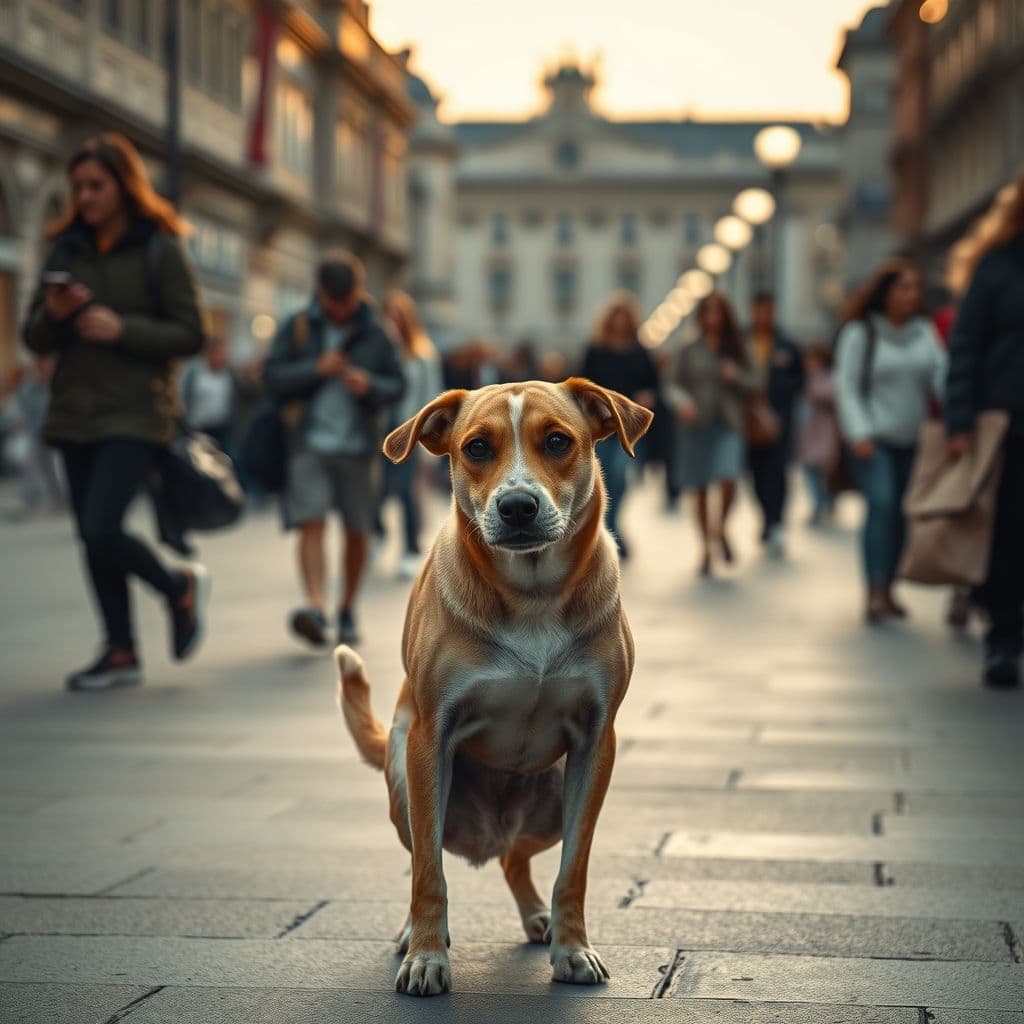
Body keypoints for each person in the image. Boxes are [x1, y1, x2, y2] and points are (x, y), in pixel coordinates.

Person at [21, 133, 209, 691]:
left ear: (123, 187)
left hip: (135, 413)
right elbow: (33, 337)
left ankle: (177, 586)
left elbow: (191, 332)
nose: (84, 197)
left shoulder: (159, 246)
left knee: (102, 526)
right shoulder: (66, 248)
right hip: (74, 411)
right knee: (90, 535)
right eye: (77, 186)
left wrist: (120, 328)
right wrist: (54, 315)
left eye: (96, 185)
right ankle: (120, 648)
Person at [263, 252, 405, 647]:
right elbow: (271, 377)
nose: (341, 310)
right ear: (320, 294)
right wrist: (315, 369)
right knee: (311, 522)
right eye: (333, 302)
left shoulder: (377, 332)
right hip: (308, 442)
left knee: (358, 529)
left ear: (358, 293)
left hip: (359, 446)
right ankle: (315, 605)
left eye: (347, 301)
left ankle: (346, 608)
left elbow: (398, 385)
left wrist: (370, 386)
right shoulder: (299, 327)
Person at [834, 259, 947, 624]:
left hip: (913, 439)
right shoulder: (860, 333)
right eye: (904, 287)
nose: (910, 295)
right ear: (885, 293)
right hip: (874, 438)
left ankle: (891, 587)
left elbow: (942, 378)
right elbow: (846, 387)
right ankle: (875, 590)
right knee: (881, 505)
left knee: (902, 513)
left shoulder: (924, 333)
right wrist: (859, 432)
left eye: (915, 288)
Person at [945, 171, 1024, 688]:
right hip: (1008, 423)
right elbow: (966, 346)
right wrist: (960, 420)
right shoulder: (998, 267)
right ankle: (1002, 638)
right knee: (1009, 535)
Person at [666, 292, 759, 576]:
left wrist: (737, 376)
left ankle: (720, 529)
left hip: (729, 423)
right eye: (708, 312)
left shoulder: (738, 347)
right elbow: (671, 383)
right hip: (696, 424)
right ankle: (706, 548)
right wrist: (682, 402)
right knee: (702, 487)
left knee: (729, 477)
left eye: (719, 312)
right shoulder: (688, 348)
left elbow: (757, 380)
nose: (713, 318)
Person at [579, 293, 659, 558]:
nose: (621, 321)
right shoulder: (595, 350)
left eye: (625, 316)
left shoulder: (640, 352)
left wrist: (647, 397)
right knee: (604, 477)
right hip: (602, 426)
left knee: (622, 477)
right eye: (617, 316)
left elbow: (653, 385)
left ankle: (611, 524)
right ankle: (610, 529)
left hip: (628, 427)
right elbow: (582, 385)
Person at [379, 290, 443, 580]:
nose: (392, 321)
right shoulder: (379, 351)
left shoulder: (422, 353)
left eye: (397, 316)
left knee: (407, 492)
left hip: (408, 431)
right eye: (388, 315)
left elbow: (431, 397)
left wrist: (428, 444)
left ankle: (410, 549)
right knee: (376, 491)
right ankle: (377, 533)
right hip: (379, 430)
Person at [747, 291, 805, 556]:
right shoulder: (743, 339)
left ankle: (776, 520)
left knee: (778, 471)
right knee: (756, 472)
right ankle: (766, 516)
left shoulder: (786, 345)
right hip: (750, 420)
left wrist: (783, 395)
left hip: (780, 420)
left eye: (769, 310)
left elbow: (799, 380)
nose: (764, 315)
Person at [14, 356, 66, 517]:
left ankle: (63, 500)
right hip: (36, 433)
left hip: (56, 433)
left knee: (56, 470)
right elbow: (23, 408)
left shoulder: (58, 385)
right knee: (31, 467)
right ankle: (28, 502)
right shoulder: (29, 387)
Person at [796, 344, 840, 526]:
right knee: (809, 470)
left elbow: (833, 395)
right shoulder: (804, 378)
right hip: (807, 431)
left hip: (824, 430)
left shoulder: (829, 378)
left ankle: (825, 502)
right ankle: (819, 502)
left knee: (822, 470)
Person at [180, 337, 237, 451]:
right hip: (198, 428)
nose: (222, 357)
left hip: (221, 428)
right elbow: (185, 395)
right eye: (219, 353)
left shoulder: (227, 375)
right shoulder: (195, 372)